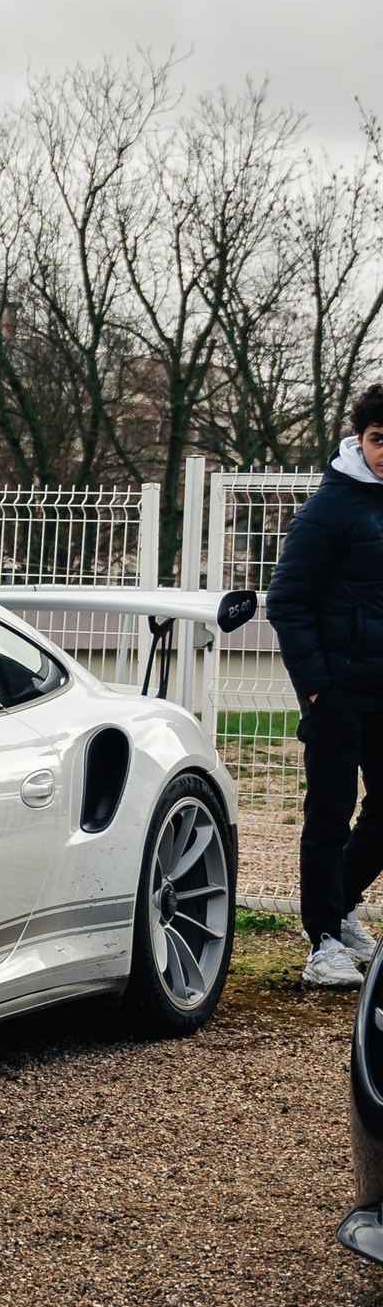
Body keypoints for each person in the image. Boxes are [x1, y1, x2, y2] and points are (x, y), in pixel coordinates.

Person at [265, 383, 383, 986]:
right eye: (378, 438)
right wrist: (316, 687)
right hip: (337, 689)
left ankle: (337, 908)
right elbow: (287, 601)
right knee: (330, 813)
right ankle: (323, 945)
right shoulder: (331, 506)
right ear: (360, 440)